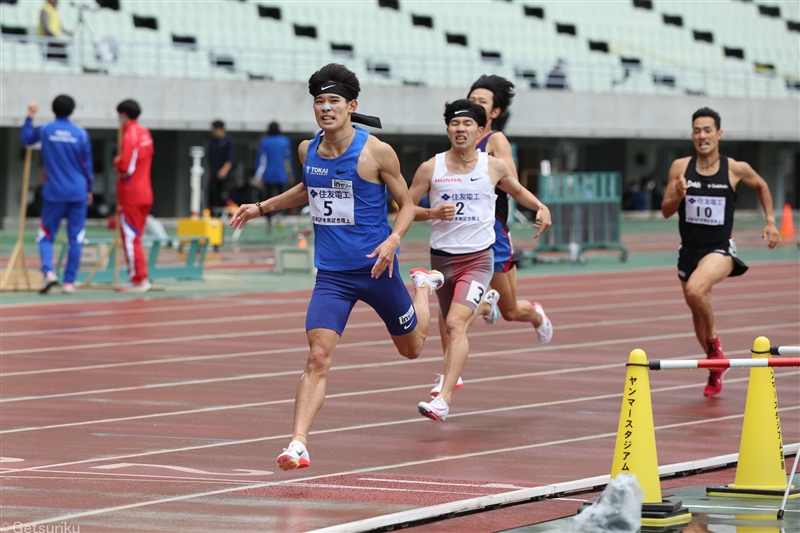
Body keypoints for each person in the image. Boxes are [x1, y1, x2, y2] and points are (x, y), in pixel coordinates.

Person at [229, 63, 444, 470]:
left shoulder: (375, 151)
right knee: (317, 357)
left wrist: (394, 238)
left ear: (351, 106)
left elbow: (407, 204)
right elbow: (309, 187)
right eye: (319, 102)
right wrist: (260, 207)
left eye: (334, 101)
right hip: (332, 276)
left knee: (412, 350)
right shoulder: (306, 150)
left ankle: (422, 288)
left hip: (377, 270)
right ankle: (298, 443)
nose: (325, 108)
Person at [408, 99, 551, 421]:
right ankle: (487, 304)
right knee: (452, 320)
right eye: (455, 124)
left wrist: (541, 207)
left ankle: (442, 400)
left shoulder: (493, 166)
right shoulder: (431, 168)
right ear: (447, 129)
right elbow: (405, 207)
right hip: (442, 259)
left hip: (477, 259)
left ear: (480, 130)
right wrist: (431, 213)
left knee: (455, 324)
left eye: (468, 124)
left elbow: (517, 191)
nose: (461, 129)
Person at [661, 107, 780, 397]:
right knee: (696, 313)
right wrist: (677, 193)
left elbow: (762, 185)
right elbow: (665, 211)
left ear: (719, 134)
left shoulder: (734, 168)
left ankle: (715, 349)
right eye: (697, 130)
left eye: (708, 130)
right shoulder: (680, 167)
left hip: (721, 248)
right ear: (692, 135)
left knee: (695, 290)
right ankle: (716, 368)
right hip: (688, 249)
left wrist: (771, 221)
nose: (702, 136)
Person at [20, 96, 93, 294]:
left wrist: (30, 115)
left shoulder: (45, 129)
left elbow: (26, 139)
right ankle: (69, 282)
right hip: (78, 191)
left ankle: (49, 273)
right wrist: (90, 188)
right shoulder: (81, 133)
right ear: (72, 110)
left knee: (46, 235)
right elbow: (87, 164)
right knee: (75, 238)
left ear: (53, 109)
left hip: (54, 192)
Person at [113, 99, 154, 293]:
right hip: (145, 192)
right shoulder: (145, 133)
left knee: (131, 238)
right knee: (135, 237)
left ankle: (139, 279)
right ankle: (139, 276)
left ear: (123, 114)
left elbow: (127, 168)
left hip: (131, 195)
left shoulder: (130, 136)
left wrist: (117, 162)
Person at [255, 121, 294, 230]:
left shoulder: (264, 142)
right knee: (283, 196)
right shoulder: (285, 141)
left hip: (268, 174)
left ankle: (269, 219)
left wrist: (258, 176)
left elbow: (262, 160)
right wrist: (290, 174)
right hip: (282, 174)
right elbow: (287, 160)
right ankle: (280, 216)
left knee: (267, 198)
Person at [208, 120, 235, 213]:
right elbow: (210, 159)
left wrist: (224, 170)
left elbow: (230, 159)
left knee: (225, 196)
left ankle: (230, 215)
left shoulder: (228, 141)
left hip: (226, 176)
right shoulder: (213, 141)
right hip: (214, 175)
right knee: (214, 197)